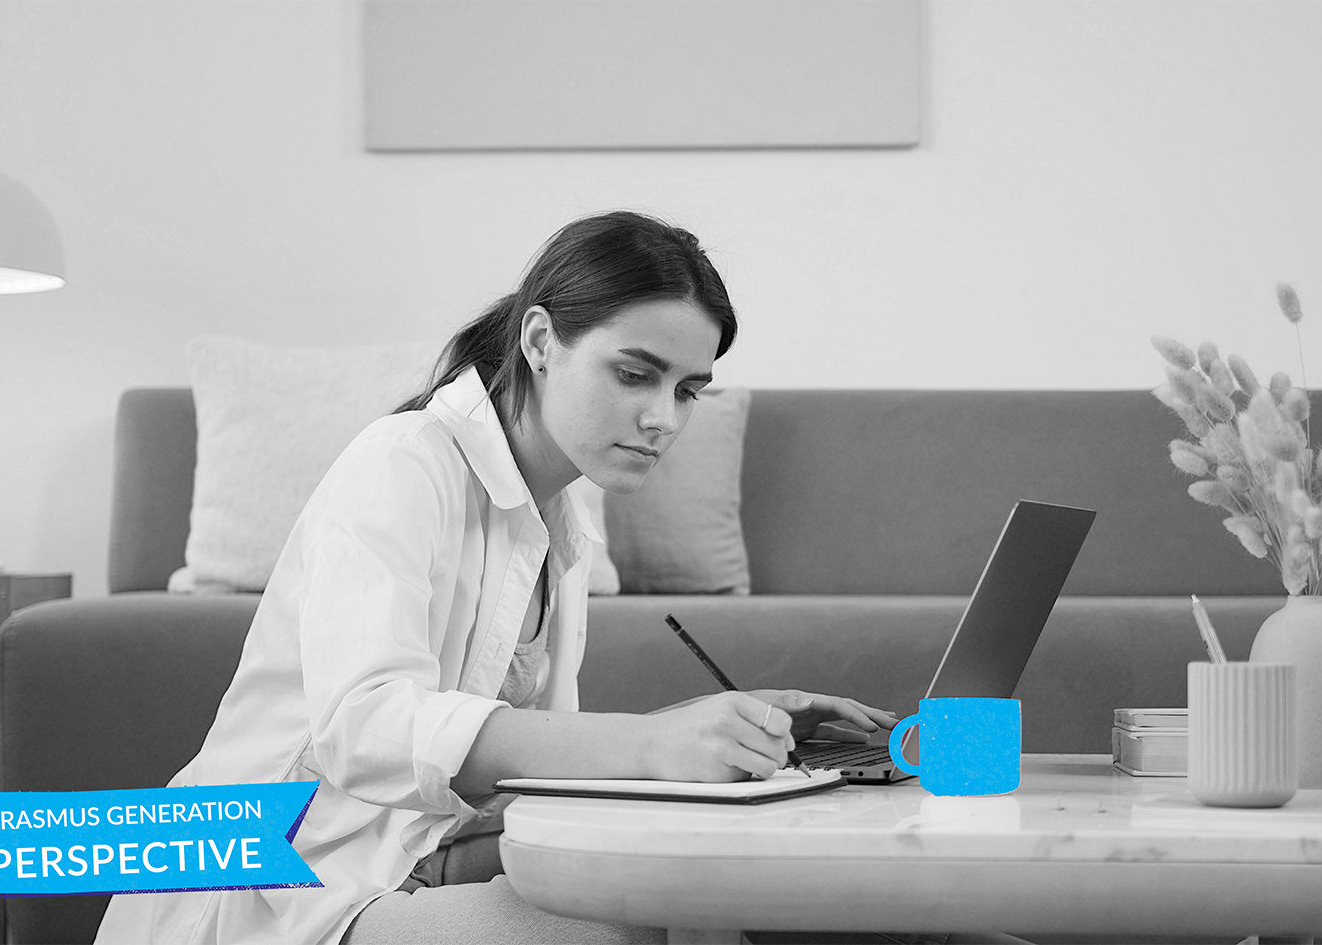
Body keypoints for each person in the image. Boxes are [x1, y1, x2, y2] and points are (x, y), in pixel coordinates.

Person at [93, 210, 900, 945]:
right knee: (655, 933)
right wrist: (647, 743)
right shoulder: (405, 460)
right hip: (291, 885)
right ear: (541, 341)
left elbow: (524, 771)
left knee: (772, 909)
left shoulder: (562, 520)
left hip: (421, 856)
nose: (664, 417)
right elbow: (364, 728)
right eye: (634, 374)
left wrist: (701, 730)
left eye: (687, 390)